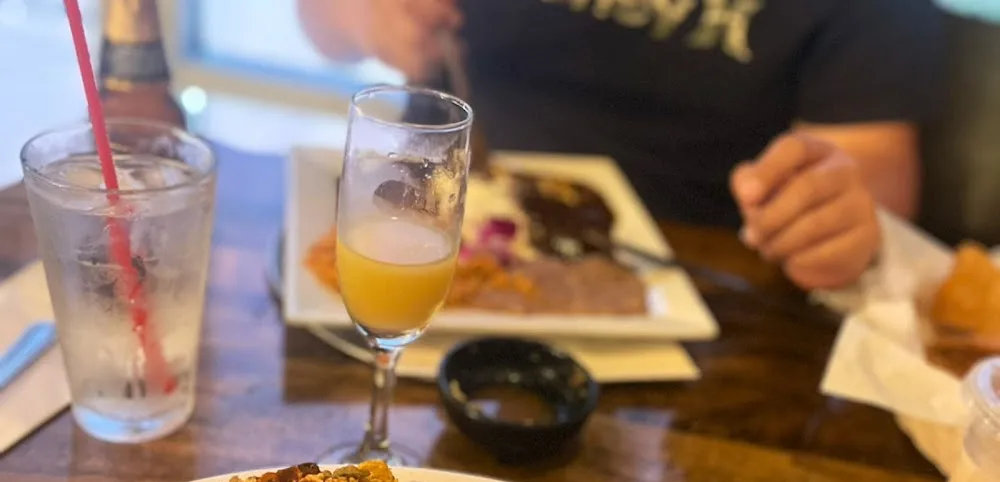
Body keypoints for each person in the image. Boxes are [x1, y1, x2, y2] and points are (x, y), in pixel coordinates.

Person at [296, 0, 941, 291]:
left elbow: (874, 165)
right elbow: (320, 17)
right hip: (424, 228)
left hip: (689, 283)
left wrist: (830, 213)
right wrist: (366, 14)